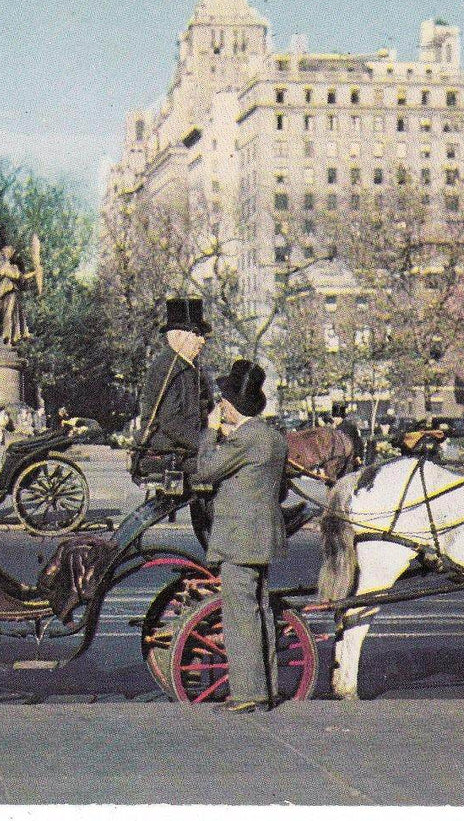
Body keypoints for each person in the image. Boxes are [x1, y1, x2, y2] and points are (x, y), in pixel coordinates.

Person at [190, 359, 289, 714]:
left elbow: (205, 471)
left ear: (230, 406)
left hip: (239, 538)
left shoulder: (245, 440)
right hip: (263, 536)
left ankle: (249, 693)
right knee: (260, 609)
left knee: (240, 614)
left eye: (222, 403)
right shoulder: (272, 438)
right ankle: (267, 686)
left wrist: (210, 432)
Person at [137, 298, 214, 534]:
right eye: (197, 334)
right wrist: (206, 443)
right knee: (229, 466)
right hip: (169, 450)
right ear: (179, 335)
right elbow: (171, 422)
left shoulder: (187, 366)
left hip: (180, 448)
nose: (202, 340)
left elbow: (203, 410)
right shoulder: (168, 367)